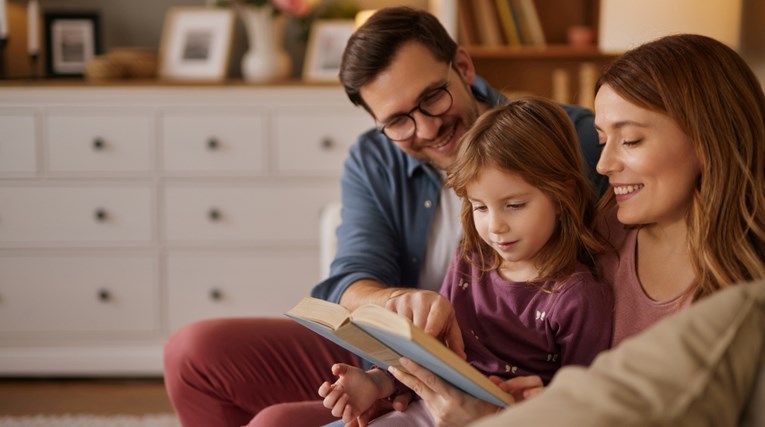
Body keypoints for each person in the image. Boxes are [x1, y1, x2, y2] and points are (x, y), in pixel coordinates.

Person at [162, 7, 603, 427]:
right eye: (398, 121)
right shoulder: (375, 159)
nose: (427, 129)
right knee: (193, 352)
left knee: (276, 422)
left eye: (433, 96)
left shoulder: (571, 140)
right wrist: (398, 305)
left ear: (464, 68)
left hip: (504, 372)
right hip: (402, 353)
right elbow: (349, 279)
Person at [380, 33, 765, 426]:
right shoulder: (604, 230)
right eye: (601, 140)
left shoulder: (741, 300)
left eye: (630, 140)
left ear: (706, 137)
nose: (603, 165)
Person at [317, 98, 614, 426]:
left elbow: (582, 406)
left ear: (563, 195)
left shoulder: (578, 296)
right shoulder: (470, 259)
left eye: (514, 205)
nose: (495, 226)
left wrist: (517, 412)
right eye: (480, 207)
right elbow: (433, 357)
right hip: (427, 409)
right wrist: (376, 383)